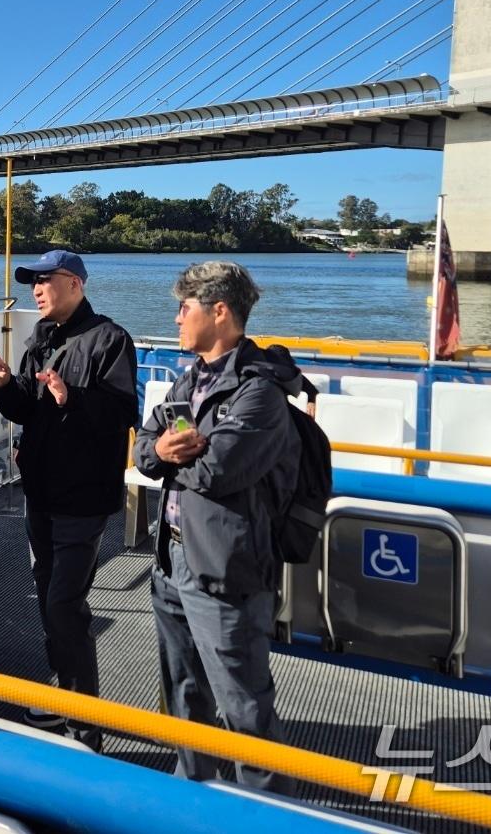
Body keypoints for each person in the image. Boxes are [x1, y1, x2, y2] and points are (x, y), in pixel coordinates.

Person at [132, 260, 303, 792]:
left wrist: (168, 452)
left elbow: (219, 471)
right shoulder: (190, 380)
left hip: (226, 569)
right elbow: (145, 448)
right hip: (172, 560)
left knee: (243, 705)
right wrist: (161, 448)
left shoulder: (260, 393)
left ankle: (269, 811)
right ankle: (192, 794)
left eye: (184, 308)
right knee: (184, 695)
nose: (178, 319)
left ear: (219, 312)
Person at [0, 249, 137, 749]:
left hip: (82, 497)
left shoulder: (110, 339)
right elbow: (25, 406)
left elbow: (123, 410)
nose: (37, 289)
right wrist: (3, 384)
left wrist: (72, 398)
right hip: (39, 491)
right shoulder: (41, 339)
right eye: (33, 282)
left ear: (76, 284)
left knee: (65, 604)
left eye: (46, 280)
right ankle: (63, 693)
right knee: (47, 596)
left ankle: (85, 726)